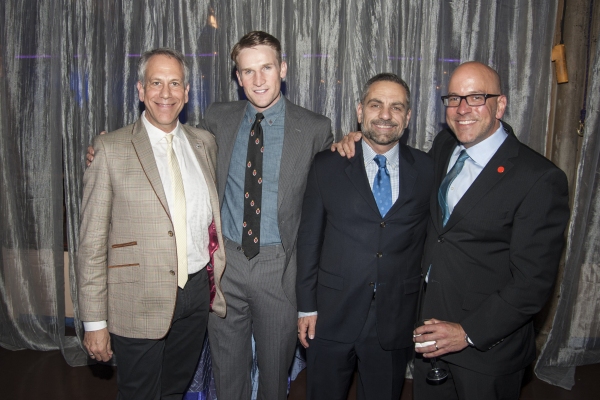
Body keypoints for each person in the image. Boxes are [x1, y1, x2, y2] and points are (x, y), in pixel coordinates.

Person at [336, 61, 570, 400]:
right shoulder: (444, 148)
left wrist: (468, 333)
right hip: (429, 334)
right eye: (454, 98)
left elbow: (533, 283)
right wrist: (361, 142)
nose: (462, 109)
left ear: (500, 104)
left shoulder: (539, 179)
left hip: (486, 351)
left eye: (476, 97)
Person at [77, 48, 226, 400]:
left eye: (175, 83)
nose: (165, 93)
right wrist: (94, 322)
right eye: (156, 83)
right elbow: (91, 244)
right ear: (140, 90)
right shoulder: (110, 149)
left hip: (195, 295)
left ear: (187, 93)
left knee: (175, 390)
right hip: (137, 297)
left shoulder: (205, 144)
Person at [198, 31, 333, 399]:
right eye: (248, 71)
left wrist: (353, 143)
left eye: (267, 68)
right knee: (228, 374)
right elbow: (178, 150)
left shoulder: (315, 129)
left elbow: (332, 191)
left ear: (282, 69)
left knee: (275, 375)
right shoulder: (217, 117)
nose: (258, 80)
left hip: (280, 267)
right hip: (226, 264)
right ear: (237, 77)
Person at [296, 73, 433, 399]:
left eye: (396, 107)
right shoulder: (327, 164)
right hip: (329, 315)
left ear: (408, 116)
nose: (386, 115)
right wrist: (305, 307)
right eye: (376, 105)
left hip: (395, 318)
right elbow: (309, 239)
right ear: (360, 111)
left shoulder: (428, 169)